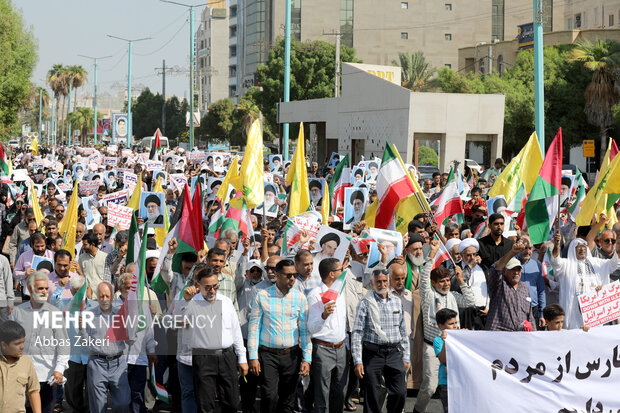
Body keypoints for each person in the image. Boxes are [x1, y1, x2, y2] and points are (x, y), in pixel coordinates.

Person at [176, 267, 248, 412]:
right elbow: (177, 321)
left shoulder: (226, 302)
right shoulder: (190, 302)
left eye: (215, 286)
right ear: (198, 285)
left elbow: (235, 331)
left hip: (227, 357)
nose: (212, 290)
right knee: (205, 404)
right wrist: (185, 301)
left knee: (232, 402)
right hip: (203, 358)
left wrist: (242, 358)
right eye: (208, 287)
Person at [414, 241, 474, 413]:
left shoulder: (454, 296)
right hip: (432, 347)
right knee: (430, 387)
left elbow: (470, 301)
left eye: (448, 280)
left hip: (453, 349)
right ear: (434, 283)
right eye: (441, 281)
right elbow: (424, 277)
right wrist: (432, 254)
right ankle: (418, 410)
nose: (446, 284)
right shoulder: (428, 295)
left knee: (454, 387)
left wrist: (461, 280)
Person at [247, 259, 311, 413]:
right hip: (268, 355)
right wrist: (253, 357)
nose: (292, 279)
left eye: (294, 275)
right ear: (277, 274)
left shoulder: (300, 298)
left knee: (288, 399)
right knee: (269, 396)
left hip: (292, 355)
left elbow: (305, 331)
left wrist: (307, 359)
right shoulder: (262, 296)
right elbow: (254, 328)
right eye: (288, 275)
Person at [10, 271, 69, 413]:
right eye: (40, 288)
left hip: (48, 376)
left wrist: (59, 369)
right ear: (30, 289)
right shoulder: (17, 313)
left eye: (46, 288)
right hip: (22, 376)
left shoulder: (55, 313)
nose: (44, 292)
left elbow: (63, 344)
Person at [351, 269, 409, 413]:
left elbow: (403, 331)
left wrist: (406, 356)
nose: (382, 284)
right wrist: (358, 361)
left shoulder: (396, 301)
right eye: (378, 281)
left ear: (388, 281)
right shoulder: (365, 303)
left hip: (394, 353)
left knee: (400, 392)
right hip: (373, 354)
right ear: (372, 283)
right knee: (373, 397)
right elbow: (357, 333)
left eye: (384, 281)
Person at [550, 230, 618, 329]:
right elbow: (556, 262)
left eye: (583, 247)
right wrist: (556, 245)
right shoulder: (567, 264)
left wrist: (618, 249)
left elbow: (613, 264)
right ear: (573, 250)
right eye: (578, 247)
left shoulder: (596, 263)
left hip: (593, 313)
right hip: (574, 312)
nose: (581, 249)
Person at [80, 281, 130, 413]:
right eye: (101, 296)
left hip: (118, 363)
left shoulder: (121, 314)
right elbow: (85, 343)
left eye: (107, 296)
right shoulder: (89, 315)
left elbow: (130, 340)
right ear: (97, 296)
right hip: (97, 363)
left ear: (113, 296)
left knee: (123, 402)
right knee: (98, 405)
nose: (104, 299)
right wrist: (82, 329)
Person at [307, 258, 348, 413]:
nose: (343, 273)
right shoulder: (315, 294)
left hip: (341, 348)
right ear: (332, 274)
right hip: (323, 349)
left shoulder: (340, 292)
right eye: (340, 270)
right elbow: (311, 327)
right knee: (322, 394)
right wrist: (323, 315)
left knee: (339, 392)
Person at [485, 240, 536, 331]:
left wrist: (533, 335)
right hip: (499, 335)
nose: (516, 273)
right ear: (504, 271)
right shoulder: (499, 284)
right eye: (512, 269)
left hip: (519, 336)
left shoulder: (524, 288)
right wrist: (512, 252)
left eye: (518, 270)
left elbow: (530, 316)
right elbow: (496, 268)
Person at [0, 320, 42, 413]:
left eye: (23, 342)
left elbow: (33, 391)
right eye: (17, 344)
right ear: (4, 345)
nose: (22, 347)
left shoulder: (26, 362)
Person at [516, 235, 546, 329]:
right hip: (517, 308)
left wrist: (542, 314)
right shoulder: (511, 263)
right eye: (525, 248)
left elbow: (541, 290)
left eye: (530, 248)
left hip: (534, 310)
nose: (528, 252)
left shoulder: (537, 265)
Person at [433, 308, 459, 413]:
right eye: (451, 324)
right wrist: (445, 341)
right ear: (441, 326)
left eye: (455, 323)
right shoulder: (438, 341)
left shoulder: (461, 338)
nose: (455, 326)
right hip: (446, 384)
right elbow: (443, 360)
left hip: (461, 382)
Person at [0, 252, 13, 323]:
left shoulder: (3, 260)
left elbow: (8, 280)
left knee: (3, 330)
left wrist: (10, 301)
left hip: (1, 302)